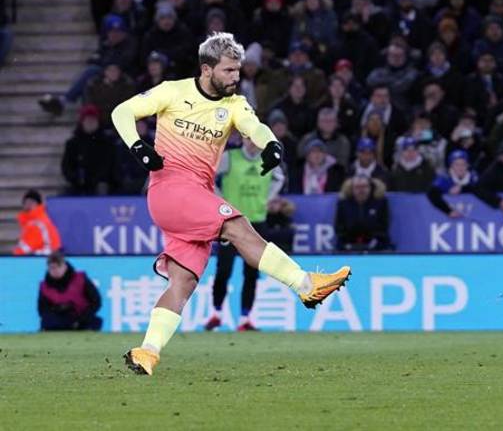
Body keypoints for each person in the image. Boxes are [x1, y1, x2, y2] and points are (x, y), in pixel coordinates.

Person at [110, 32, 350, 375]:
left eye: (238, 71)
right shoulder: (172, 91)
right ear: (207, 69)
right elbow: (122, 111)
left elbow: (256, 126)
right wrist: (138, 146)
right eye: (228, 71)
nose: (236, 77)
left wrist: (271, 145)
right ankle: (306, 286)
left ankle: (147, 352)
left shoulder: (234, 104)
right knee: (237, 226)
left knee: (184, 281)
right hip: (170, 189)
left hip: (197, 195)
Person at [204, 137, 286, 332]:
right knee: (224, 269)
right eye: (249, 138)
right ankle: (216, 313)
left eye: (255, 139)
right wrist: (219, 198)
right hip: (231, 222)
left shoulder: (267, 159)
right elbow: (208, 177)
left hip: (257, 222)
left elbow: (280, 179)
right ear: (243, 138)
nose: (252, 143)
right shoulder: (230, 158)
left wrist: (268, 198)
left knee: (251, 272)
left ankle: (245, 318)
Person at [37, 253, 102, 330]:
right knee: (48, 321)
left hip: (81, 318)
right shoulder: (45, 287)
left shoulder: (81, 279)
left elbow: (96, 301)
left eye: (58, 267)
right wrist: (57, 309)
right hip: (58, 321)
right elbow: (42, 309)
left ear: (65, 266)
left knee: (92, 322)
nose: (55, 271)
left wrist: (82, 318)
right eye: (52, 268)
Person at [336, 175, 391, 251]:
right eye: (357, 187)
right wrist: (347, 245)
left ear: (370, 187)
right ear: (352, 189)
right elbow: (339, 228)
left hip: (377, 244)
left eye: (364, 186)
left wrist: (373, 243)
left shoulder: (380, 202)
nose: (361, 190)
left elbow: (383, 227)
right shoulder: (343, 203)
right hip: (348, 244)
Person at [13, 190, 62, 255]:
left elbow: (30, 246)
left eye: (31, 202)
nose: (28, 205)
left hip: (44, 257)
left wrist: (16, 253)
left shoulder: (37, 223)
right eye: (26, 202)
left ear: (37, 204)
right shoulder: (33, 221)